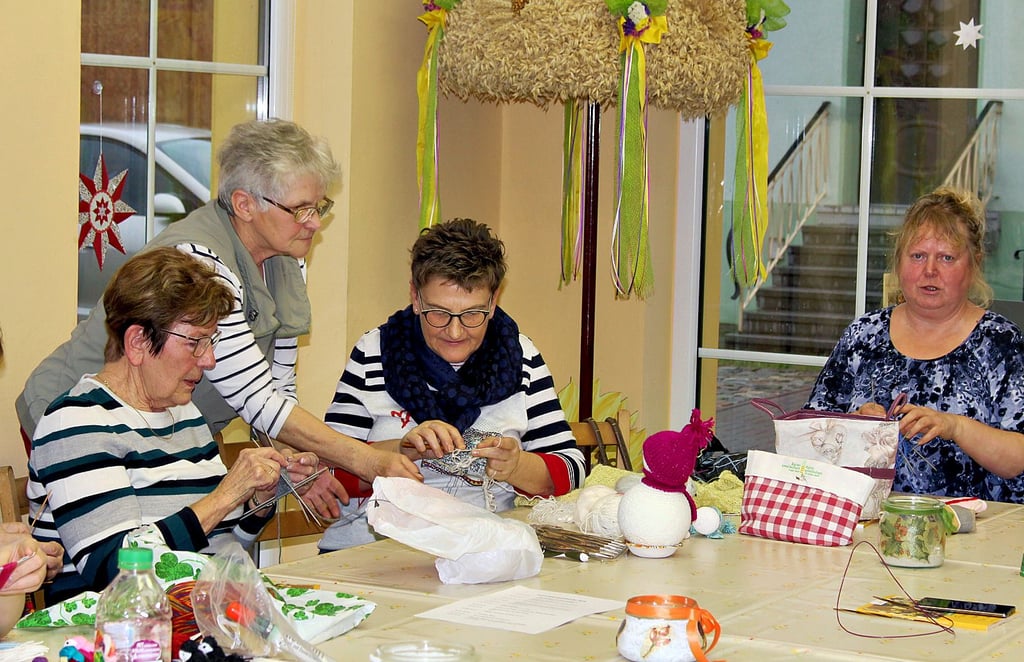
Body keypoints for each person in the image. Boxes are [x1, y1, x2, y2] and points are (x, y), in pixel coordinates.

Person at [16, 119, 421, 520]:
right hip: (85, 421)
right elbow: (256, 399)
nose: (314, 222)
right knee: (126, 552)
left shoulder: (287, 259)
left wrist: (293, 460)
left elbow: (278, 389)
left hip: (169, 426)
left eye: (319, 207)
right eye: (300, 209)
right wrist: (368, 461)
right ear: (245, 204)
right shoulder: (201, 260)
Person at [27, 248, 319, 603]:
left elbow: (220, 551)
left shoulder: (185, 414)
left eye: (210, 342)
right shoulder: (76, 421)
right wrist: (225, 495)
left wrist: (256, 498)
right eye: (195, 342)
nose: (209, 360)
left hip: (196, 619)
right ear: (137, 343)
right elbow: (115, 571)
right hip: (114, 636)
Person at [320, 218, 586, 551]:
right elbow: (326, 473)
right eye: (438, 313)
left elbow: (572, 469)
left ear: (494, 301)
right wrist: (401, 452)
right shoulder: (374, 353)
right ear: (415, 297)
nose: (455, 332)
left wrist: (517, 467)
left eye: (473, 314)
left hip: (481, 551)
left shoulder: (522, 357)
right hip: (374, 550)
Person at [806, 186, 1024, 503]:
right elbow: (808, 440)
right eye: (918, 256)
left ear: (974, 263)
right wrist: (854, 426)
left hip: (977, 536)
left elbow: (1017, 458)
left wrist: (956, 428)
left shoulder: (1000, 342)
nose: (929, 271)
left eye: (947, 257)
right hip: (866, 525)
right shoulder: (863, 335)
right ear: (899, 261)